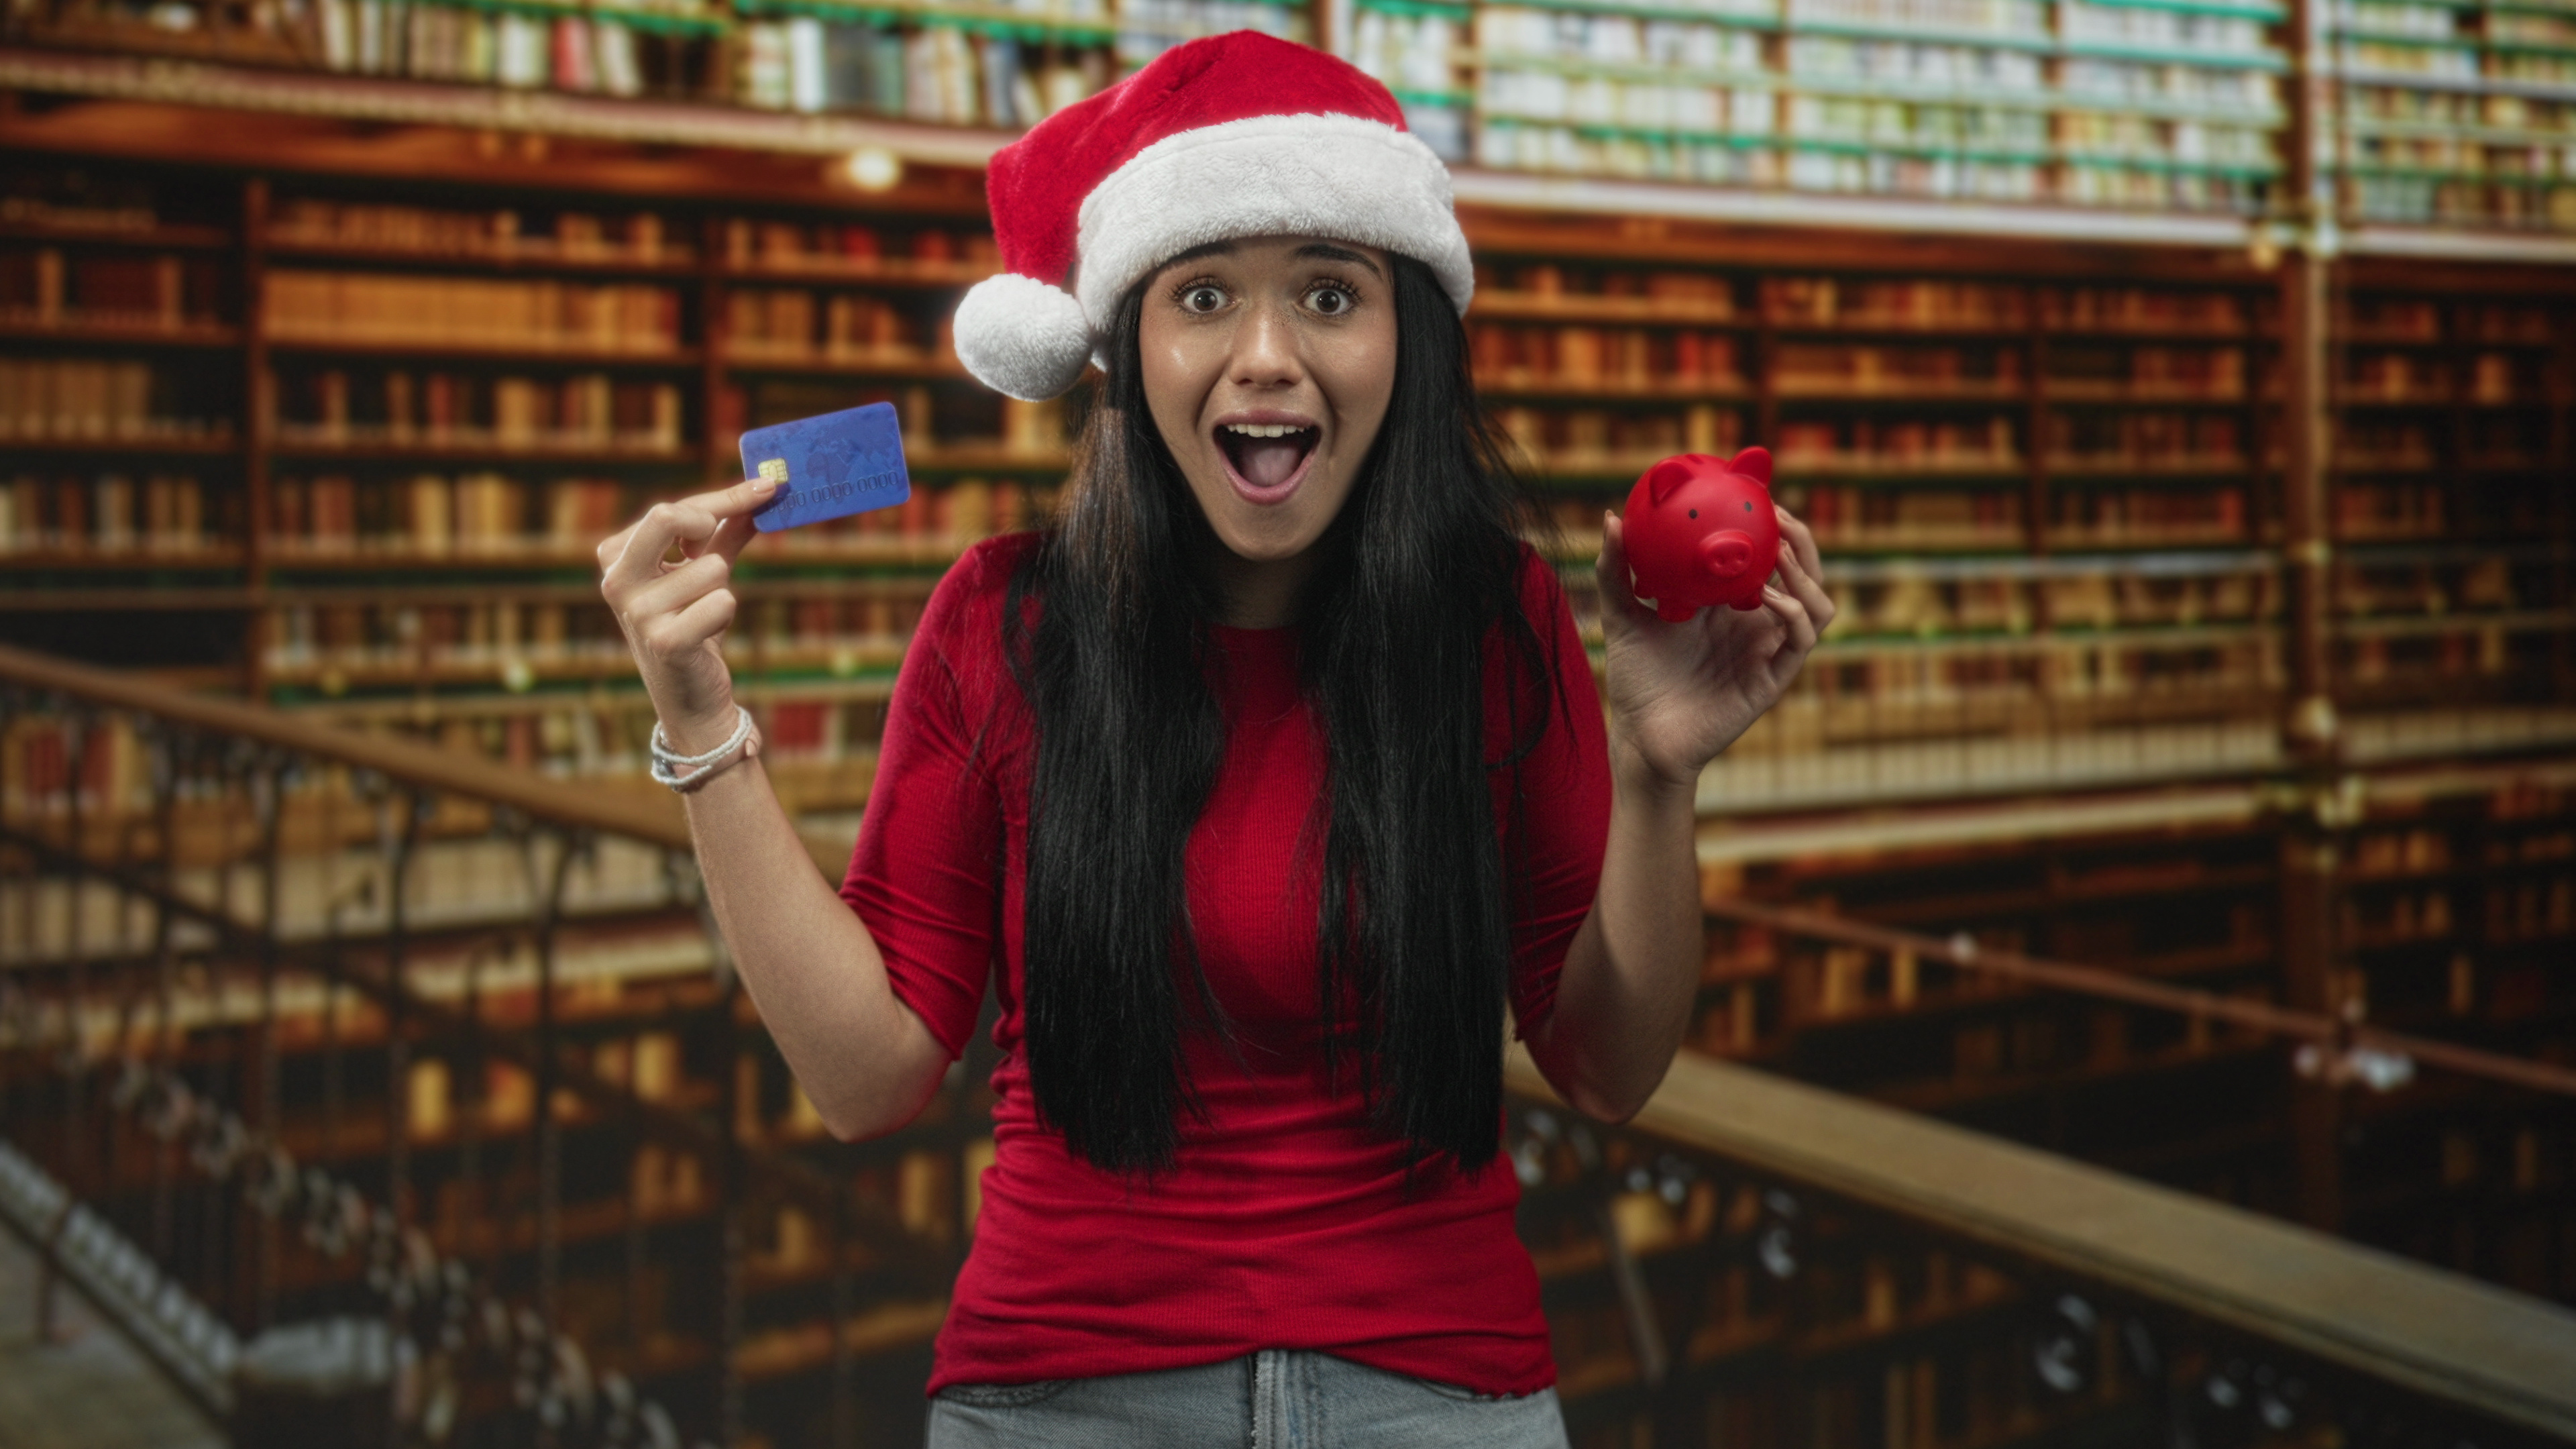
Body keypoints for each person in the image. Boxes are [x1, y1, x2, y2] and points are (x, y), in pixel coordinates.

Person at [596, 32, 1832, 1449]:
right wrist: (700, 723)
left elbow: (1610, 1069)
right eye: (1202, 298)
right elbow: (863, 1076)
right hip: (1060, 1396)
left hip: (1441, 1390)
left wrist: (1657, 771)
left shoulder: (1499, 623)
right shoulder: (999, 625)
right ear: (1125, 355)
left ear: (1406, 340)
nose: (1266, 359)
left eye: (1327, 292)